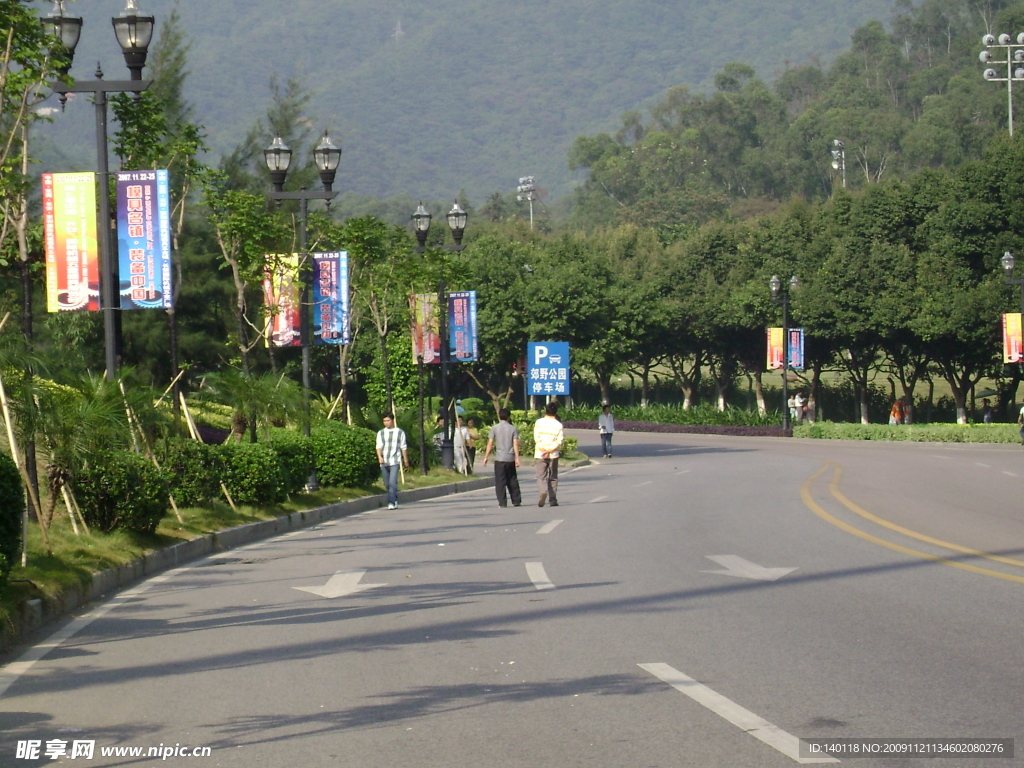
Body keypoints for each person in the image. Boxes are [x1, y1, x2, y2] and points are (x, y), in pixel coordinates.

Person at [482, 408, 521, 507]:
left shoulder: (494, 428)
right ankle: (516, 500)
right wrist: (517, 458)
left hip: (499, 458)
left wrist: (486, 456)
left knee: (500, 481)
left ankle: (502, 502)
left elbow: (490, 443)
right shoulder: (513, 428)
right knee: (512, 479)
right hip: (510, 458)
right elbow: (515, 444)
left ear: (499, 416)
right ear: (509, 416)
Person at [376, 412, 409, 510]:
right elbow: (378, 446)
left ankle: (391, 502)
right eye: (384, 421)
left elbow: (403, 447)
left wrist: (405, 460)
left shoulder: (400, 432)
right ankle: (394, 498)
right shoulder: (381, 433)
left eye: (388, 420)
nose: (386, 423)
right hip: (384, 461)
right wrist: (379, 456)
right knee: (386, 483)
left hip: (395, 460)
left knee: (392, 482)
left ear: (393, 420)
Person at [534, 401, 564, 507]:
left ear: (545, 410)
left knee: (541, 476)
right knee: (553, 476)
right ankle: (552, 499)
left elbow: (536, 438)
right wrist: (550, 450)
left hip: (540, 454)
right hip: (553, 454)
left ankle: (543, 491)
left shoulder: (539, 422)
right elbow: (559, 441)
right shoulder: (558, 425)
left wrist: (543, 449)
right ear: (556, 412)